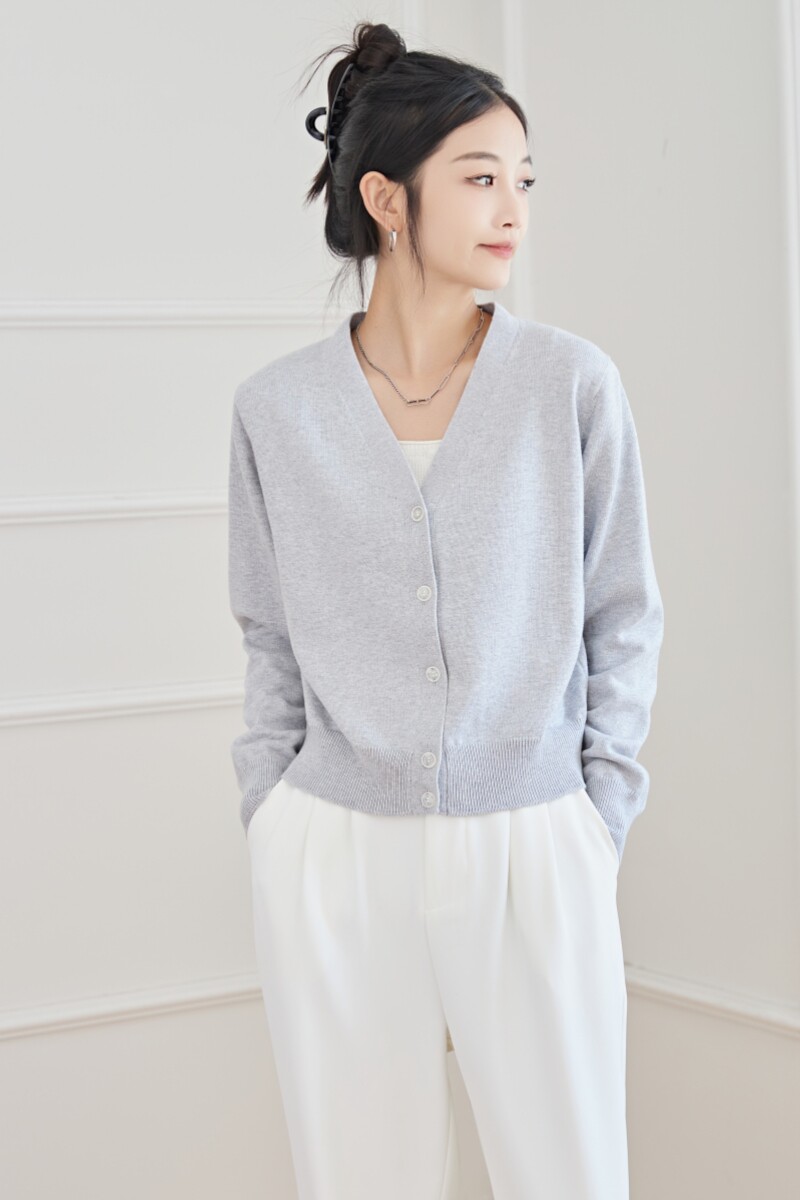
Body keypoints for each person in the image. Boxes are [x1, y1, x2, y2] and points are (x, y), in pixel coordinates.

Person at [228, 20, 665, 1200]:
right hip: (331, 844)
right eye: (478, 178)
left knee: (568, 1174)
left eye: (521, 179)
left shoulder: (568, 384)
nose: (510, 208)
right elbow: (269, 635)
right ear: (386, 199)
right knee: (359, 1177)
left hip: (533, 832)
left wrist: (594, 817)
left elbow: (622, 614)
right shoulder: (277, 410)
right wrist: (270, 815)